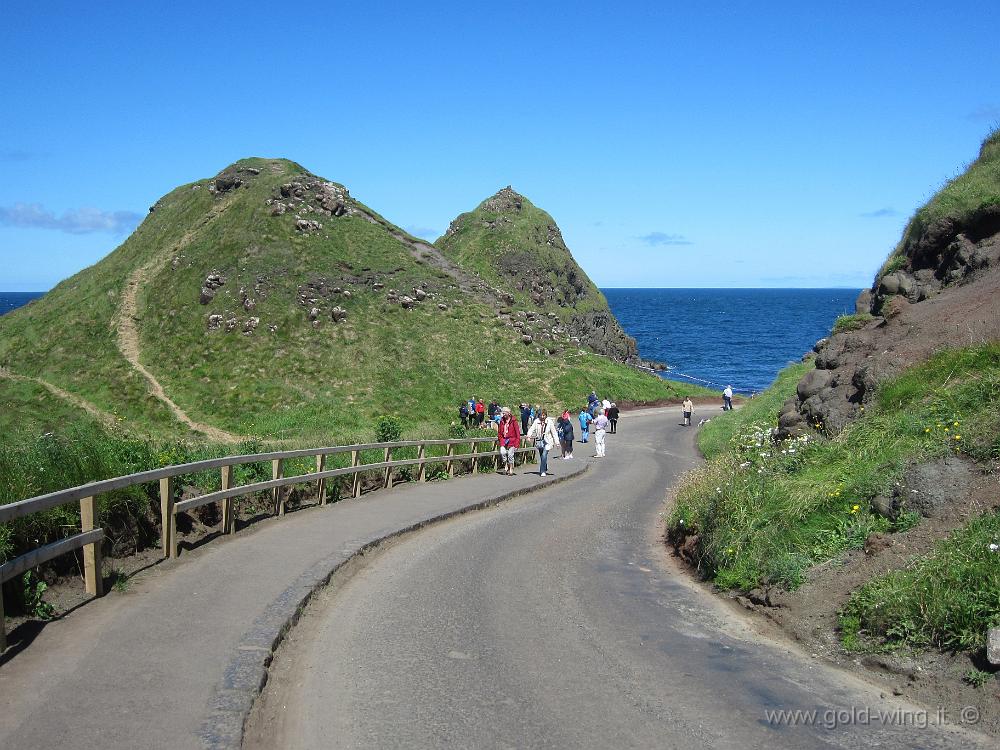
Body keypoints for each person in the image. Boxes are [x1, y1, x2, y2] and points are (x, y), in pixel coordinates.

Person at [527, 409, 558, 476]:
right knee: (542, 456)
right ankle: (545, 465)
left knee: (544, 455)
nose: (543, 417)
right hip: (539, 441)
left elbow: (554, 432)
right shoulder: (536, 421)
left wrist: (557, 442)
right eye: (541, 415)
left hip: (548, 441)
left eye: (544, 415)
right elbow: (531, 429)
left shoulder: (549, 422)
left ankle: (542, 471)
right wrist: (529, 436)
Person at [497, 406, 521, 475]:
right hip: (504, 440)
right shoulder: (502, 421)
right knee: (502, 452)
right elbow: (499, 432)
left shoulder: (514, 421)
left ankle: (511, 468)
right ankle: (505, 466)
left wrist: (517, 444)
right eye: (503, 413)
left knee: (510, 455)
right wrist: (500, 438)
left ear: (508, 413)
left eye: (504, 413)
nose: (503, 415)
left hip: (512, 440)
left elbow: (517, 433)